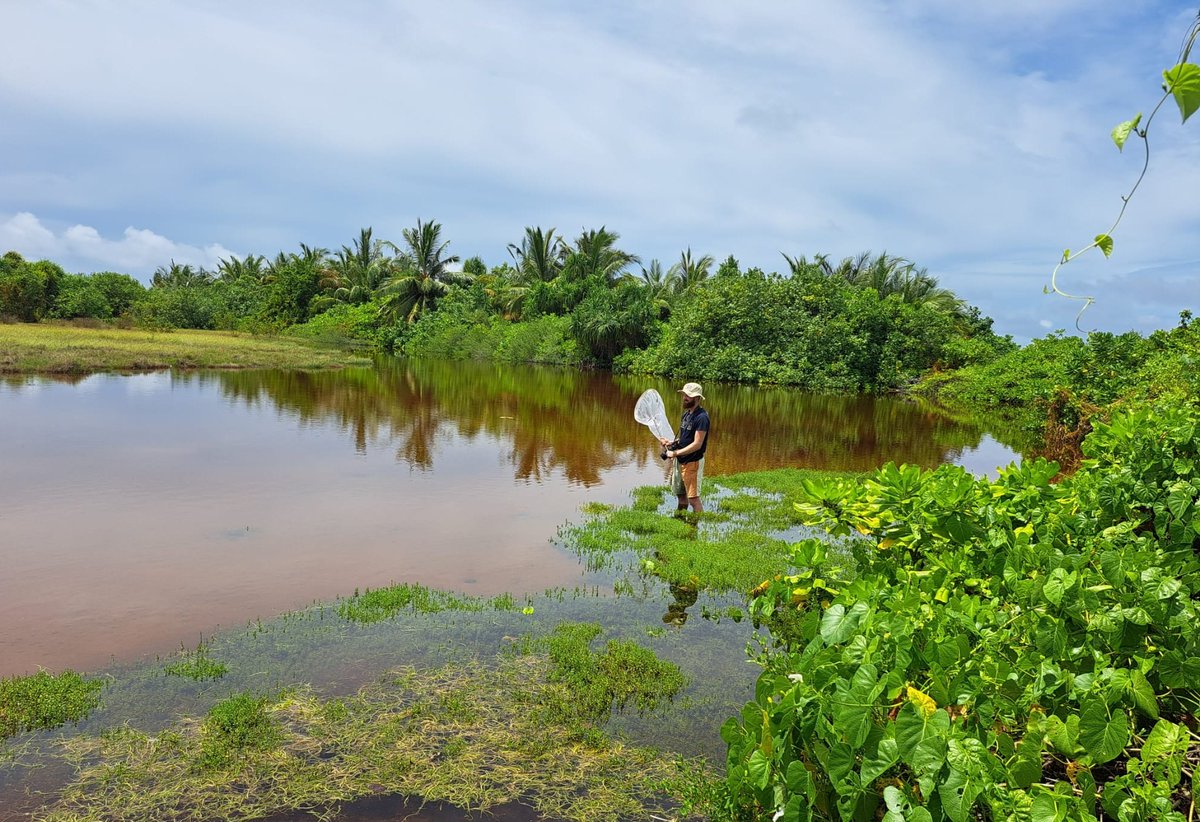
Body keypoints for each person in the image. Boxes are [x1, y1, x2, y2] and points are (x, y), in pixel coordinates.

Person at [659, 382, 710, 513]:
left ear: (697, 398)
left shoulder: (702, 417)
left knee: (693, 499)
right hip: (680, 460)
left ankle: (695, 527)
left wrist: (675, 453)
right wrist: (671, 443)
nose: (685, 398)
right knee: (680, 495)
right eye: (684, 395)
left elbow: (697, 444)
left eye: (689, 396)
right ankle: (680, 521)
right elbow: (684, 439)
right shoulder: (686, 414)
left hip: (692, 462)